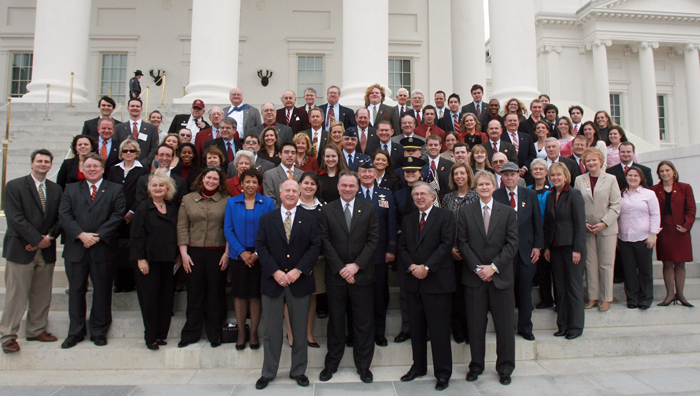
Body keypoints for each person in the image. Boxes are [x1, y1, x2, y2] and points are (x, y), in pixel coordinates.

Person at [254, 179, 321, 389]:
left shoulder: (310, 219)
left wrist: (298, 270)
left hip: (299, 282)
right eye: (287, 191)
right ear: (280, 194)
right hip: (273, 282)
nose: (291, 194)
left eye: (295, 190)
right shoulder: (267, 219)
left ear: (299, 193)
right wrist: (274, 271)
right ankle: (268, 372)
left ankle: (298, 371)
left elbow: (315, 246)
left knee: (300, 330)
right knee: (271, 331)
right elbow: (261, 246)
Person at [59, 154, 126, 349]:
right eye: (88, 166)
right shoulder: (71, 189)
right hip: (76, 248)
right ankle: (75, 332)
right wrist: (81, 235)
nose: (92, 169)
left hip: (102, 248)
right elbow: (64, 215)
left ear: (103, 169)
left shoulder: (115, 189)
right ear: (82, 169)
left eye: (95, 166)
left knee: (103, 291)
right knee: (77, 291)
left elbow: (117, 215)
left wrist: (96, 236)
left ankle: (99, 331)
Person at [458, 170, 518, 386]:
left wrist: (492, 267)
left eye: (487, 184)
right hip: (475, 279)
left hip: (500, 278)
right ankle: (476, 366)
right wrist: (479, 269)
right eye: (480, 184)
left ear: (494, 187)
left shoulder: (508, 212)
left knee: (504, 326)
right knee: (475, 326)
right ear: (475, 187)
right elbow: (462, 243)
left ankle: (505, 368)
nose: (484, 187)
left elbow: (512, 244)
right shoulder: (465, 212)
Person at [319, 171, 379, 384]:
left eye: (351, 186)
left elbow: (373, 240)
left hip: (362, 276)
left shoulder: (370, 209)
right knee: (335, 322)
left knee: (363, 323)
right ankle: (331, 364)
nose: (347, 189)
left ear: (357, 187)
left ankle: (364, 366)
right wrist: (342, 269)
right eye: (343, 185)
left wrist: (355, 266)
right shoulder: (327, 210)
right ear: (338, 186)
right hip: (336, 277)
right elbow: (324, 241)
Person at [1, 149, 62, 354]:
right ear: (31, 163)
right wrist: (37, 240)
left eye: (47, 161)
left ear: (51, 165)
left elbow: (59, 219)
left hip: (46, 249)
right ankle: (8, 335)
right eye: (39, 161)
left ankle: (36, 330)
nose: (43, 164)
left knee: (42, 294)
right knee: (16, 295)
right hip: (21, 249)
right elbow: (15, 218)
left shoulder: (56, 190)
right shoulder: (15, 186)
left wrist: (48, 238)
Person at [397, 182, 454, 391]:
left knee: (439, 331)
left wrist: (427, 267)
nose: (419, 197)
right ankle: (418, 367)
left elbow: (446, 244)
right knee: (417, 330)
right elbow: (402, 247)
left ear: (432, 196)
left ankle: (443, 373)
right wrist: (412, 266)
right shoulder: (409, 219)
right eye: (416, 195)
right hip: (413, 282)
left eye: (423, 194)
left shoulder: (445, 216)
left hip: (437, 283)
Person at [177, 167, 231, 348]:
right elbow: (182, 227)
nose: (212, 181)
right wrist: (183, 254)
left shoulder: (226, 201)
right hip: (194, 252)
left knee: (216, 293)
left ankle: (214, 333)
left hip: (218, 252)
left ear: (220, 182)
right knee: (194, 293)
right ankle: (191, 333)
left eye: (215, 179)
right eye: (209, 178)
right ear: (202, 179)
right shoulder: (188, 199)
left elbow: (229, 229)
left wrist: (226, 253)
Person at [224, 168, 275, 349]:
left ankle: (253, 332)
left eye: (254, 182)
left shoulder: (267, 203)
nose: (251, 185)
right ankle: (241, 332)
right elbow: (228, 230)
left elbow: (270, 230)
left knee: (255, 295)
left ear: (258, 184)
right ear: (241, 184)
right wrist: (241, 252)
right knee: (239, 294)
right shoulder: (231, 203)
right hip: (238, 256)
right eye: (247, 182)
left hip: (260, 256)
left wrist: (256, 254)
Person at [494, 162, 543, 341]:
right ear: (502, 177)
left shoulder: (529, 194)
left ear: (518, 176)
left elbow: (537, 221)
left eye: (512, 175)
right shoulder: (496, 196)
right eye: (505, 175)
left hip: (526, 251)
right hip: (504, 253)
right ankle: (506, 328)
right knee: (506, 293)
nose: (509, 178)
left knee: (525, 291)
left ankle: (525, 327)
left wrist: (537, 246)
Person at [129, 169, 178, 350]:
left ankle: (161, 334)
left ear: (168, 188)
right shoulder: (142, 208)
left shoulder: (172, 208)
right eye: (154, 185)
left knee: (166, 299)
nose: (158, 188)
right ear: (149, 189)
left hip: (168, 260)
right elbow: (136, 236)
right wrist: (140, 259)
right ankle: (150, 337)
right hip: (148, 261)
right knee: (149, 300)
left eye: (161, 185)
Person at [543, 162, 586, 340]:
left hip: (571, 249)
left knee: (573, 288)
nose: (555, 178)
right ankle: (562, 325)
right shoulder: (550, 195)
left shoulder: (574, 195)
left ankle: (575, 326)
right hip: (555, 248)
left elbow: (579, 225)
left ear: (566, 176)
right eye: (552, 175)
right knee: (559, 288)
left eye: (558, 175)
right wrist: (547, 247)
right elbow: (548, 223)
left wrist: (578, 249)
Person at [357, 159, 397, 347]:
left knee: (380, 294)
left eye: (370, 171)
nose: (366, 174)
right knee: (358, 295)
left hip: (380, 253)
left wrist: (391, 248)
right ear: (358, 174)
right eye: (363, 171)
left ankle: (379, 332)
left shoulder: (386, 194)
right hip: (357, 253)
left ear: (375, 173)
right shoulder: (353, 193)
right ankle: (358, 332)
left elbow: (391, 223)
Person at [575, 148, 621, 312]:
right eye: (588, 161)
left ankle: (606, 297)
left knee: (606, 264)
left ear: (601, 161)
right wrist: (584, 222)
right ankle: (593, 296)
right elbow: (577, 204)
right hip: (587, 228)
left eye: (594, 160)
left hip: (606, 228)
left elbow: (616, 204)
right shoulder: (580, 180)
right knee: (590, 264)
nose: (591, 163)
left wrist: (604, 223)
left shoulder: (611, 179)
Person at [441, 163, 478, 344]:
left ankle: (471, 331)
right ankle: (457, 329)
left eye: (462, 173)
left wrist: (467, 249)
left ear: (468, 175)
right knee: (455, 294)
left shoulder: (477, 196)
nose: (459, 177)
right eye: (456, 174)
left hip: (472, 253)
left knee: (471, 295)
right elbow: (445, 227)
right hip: (452, 253)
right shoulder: (447, 198)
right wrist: (452, 248)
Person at [651, 161, 696, 307]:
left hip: (681, 230)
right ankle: (670, 294)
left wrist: (686, 226)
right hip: (664, 230)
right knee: (667, 262)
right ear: (659, 174)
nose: (665, 173)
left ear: (673, 172)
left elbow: (691, 209)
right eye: (662, 171)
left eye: (667, 170)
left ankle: (681, 294)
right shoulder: (654, 189)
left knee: (680, 263)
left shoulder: (684, 188)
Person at [106, 140, 148, 294]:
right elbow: (109, 191)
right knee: (116, 248)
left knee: (131, 248)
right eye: (125, 151)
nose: (128, 153)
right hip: (115, 216)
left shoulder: (142, 170)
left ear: (137, 153)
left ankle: (131, 282)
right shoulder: (113, 169)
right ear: (121, 153)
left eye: (131, 151)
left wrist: (132, 212)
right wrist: (117, 212)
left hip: (133, 216)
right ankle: (118, 282)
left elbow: (142, 194)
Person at [618, 166, 661, 310]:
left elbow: (655, 214)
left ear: (641, 177)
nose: (632, 178)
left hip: (643, 237)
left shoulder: (649, 194)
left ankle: (645, 298)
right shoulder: (621, 194)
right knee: (629, 271)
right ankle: (632, 298)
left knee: (645, 270)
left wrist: (653, 234)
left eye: (636, 175)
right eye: (630, 175)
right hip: (624, 238)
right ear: (626, 177)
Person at [295, 171, 326, 346]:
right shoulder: (292, 205)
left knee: (312, 296)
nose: (309, 186)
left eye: (312, 184)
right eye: (306, 183)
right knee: (292, 297)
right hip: (294, 262)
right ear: (299, 184)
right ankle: (292, 334)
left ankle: (308, 334)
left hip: (317, 261)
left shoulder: (323, 208)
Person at [528, 159, 555, 309]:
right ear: (531, 172)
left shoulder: (552, 189)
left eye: (541, 169)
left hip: (550, 233)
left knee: (553, 269)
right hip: (533, 234)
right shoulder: (528, 189)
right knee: (542, 270)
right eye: (535, 169)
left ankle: (557, 298)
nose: (538, 171)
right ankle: (546, 298)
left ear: (546, 172)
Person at [114, 98, 160, 166]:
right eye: (132, 106)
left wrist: (143, 163)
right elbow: (116, 147)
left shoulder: (151, 128)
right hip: (124, 166)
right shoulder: (119, 128)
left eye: (137, 106)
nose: (135, 108)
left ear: (141, 109)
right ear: (128, 108)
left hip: (144, 167)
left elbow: (154, 148)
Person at [263, 142, 304, 207]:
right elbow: (270, 199)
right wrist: (283, 213)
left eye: (293, 153)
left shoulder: (302, 174)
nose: (290, 155)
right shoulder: (270, 175)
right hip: (278, 214)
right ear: (279, 154)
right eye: (286, 152)